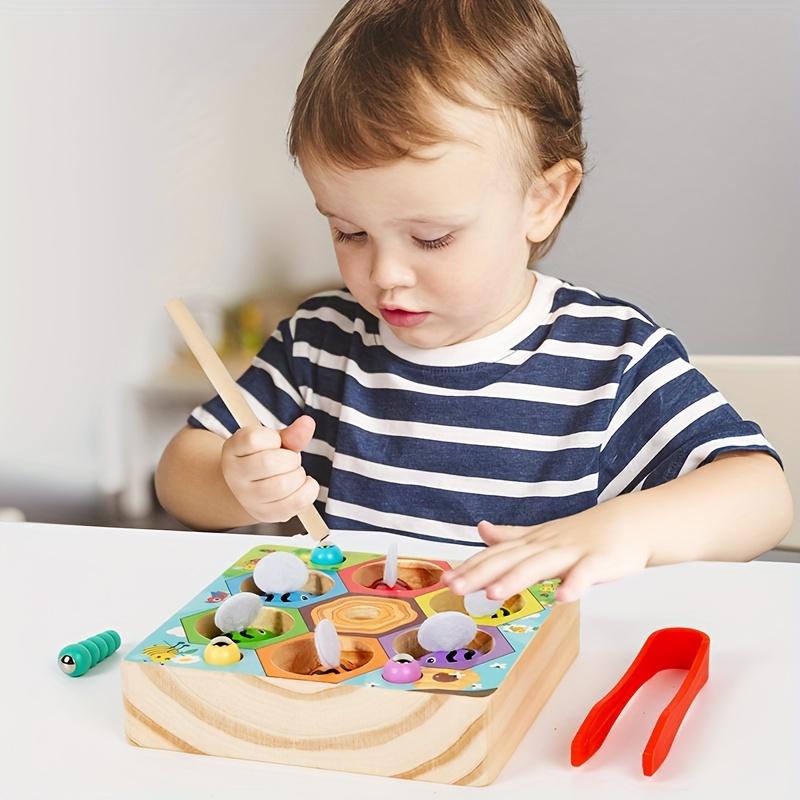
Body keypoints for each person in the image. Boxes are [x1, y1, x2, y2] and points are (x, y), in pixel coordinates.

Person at [155, 0, 793, 603]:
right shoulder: (318, 343)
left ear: (542, 200)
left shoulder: (609, 356)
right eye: (349, 232)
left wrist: (624, 530)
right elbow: (180, 474)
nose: (385, 275)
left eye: (431, 238)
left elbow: (762, 495)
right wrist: (235, 484)